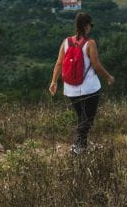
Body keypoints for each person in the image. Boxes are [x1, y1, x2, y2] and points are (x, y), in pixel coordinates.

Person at [49, 12, 115, 154]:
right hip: (90, 89)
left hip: (71, 89)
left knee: (82, 117)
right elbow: (96, 65)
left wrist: (54, 81)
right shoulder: (90, 43)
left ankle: (81, 146)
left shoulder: (66, 42)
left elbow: (59, 63)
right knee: (88, 119)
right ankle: (78, 147)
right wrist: (108, 77)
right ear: (86, 26)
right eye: (90, 25)